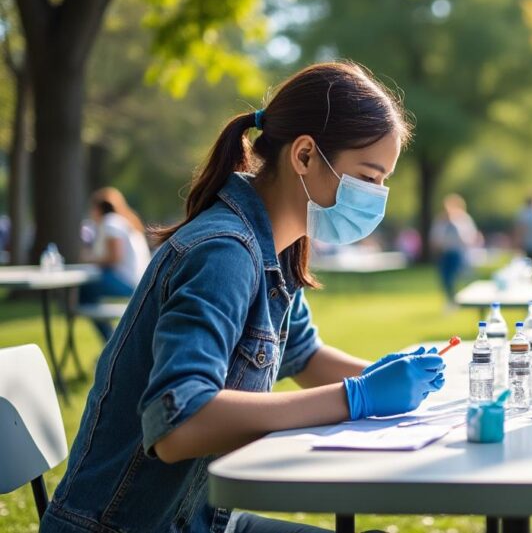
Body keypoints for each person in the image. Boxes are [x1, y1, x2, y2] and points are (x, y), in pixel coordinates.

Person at [41, 62, 446, 533]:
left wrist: (390, 378)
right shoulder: (224, 253)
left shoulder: (278, 246)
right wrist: (356, 397)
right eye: (368, 178)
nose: (377, 197)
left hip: (197, 519)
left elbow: (304, 356)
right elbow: (178, 424)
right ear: (305, 155)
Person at [79, 188, 152, 341]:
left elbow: (114, 258)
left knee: (84, 289)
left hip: (127, 282)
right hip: (138, 281)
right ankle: (111, 339)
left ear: (98, 209)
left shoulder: (110, 222)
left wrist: (89, 259)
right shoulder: (123, 221)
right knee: (86, 294)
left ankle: (110, 340)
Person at [430, 193, 481, 308]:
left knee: (456, 278)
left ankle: (458, 300)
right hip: (444, 253)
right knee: (445, 279)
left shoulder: (464, 219)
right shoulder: (440, 220)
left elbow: (469, 237)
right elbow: (435, 237)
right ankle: (450, 300)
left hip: (458, 253)